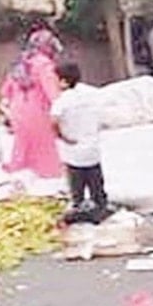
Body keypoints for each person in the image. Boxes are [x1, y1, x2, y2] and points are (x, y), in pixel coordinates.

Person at [0, 27, 64, 179]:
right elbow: (53, 94)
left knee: (22, 149)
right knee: (44, 151)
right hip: (38, 114)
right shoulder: (44, 65)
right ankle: (50, 184)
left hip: (18, 113)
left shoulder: (20, 64)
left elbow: (5, 93)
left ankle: (18, 182)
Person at [50, 62, 109, 223]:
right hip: (92, 148)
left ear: (63, 81)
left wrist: (62, 137)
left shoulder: (62, 101)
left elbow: (53, 122)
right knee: (96, 182)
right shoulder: (91, 93)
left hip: (73, 150)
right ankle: (100, 208)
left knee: (77, 185)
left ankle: (80, 209)